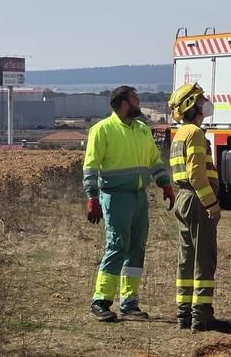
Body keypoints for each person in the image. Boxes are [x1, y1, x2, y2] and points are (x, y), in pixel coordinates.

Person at [83, 86, 175, 322]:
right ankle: (100, 301)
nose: (139, 101)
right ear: (124, 103)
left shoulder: (142, 129)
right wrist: (92, 197)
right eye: (135, 98)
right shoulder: (102, 130)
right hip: (115, 198)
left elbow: (154, 161)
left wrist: (165, 184)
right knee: (117, 246)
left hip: (139, 197)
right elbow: (91, 166)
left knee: (136, 249)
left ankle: (129, 303)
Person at [167, 82, 231, 333]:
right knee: (204, 257)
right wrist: (212, 204)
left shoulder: (180, 134)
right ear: (191, 105)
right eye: (201, 99)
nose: (206, 102)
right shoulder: (194, 133)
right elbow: (196, 174)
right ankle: (202, 316)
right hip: (196, 200)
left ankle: (184, 313)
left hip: (183, 198)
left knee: (186, 258)